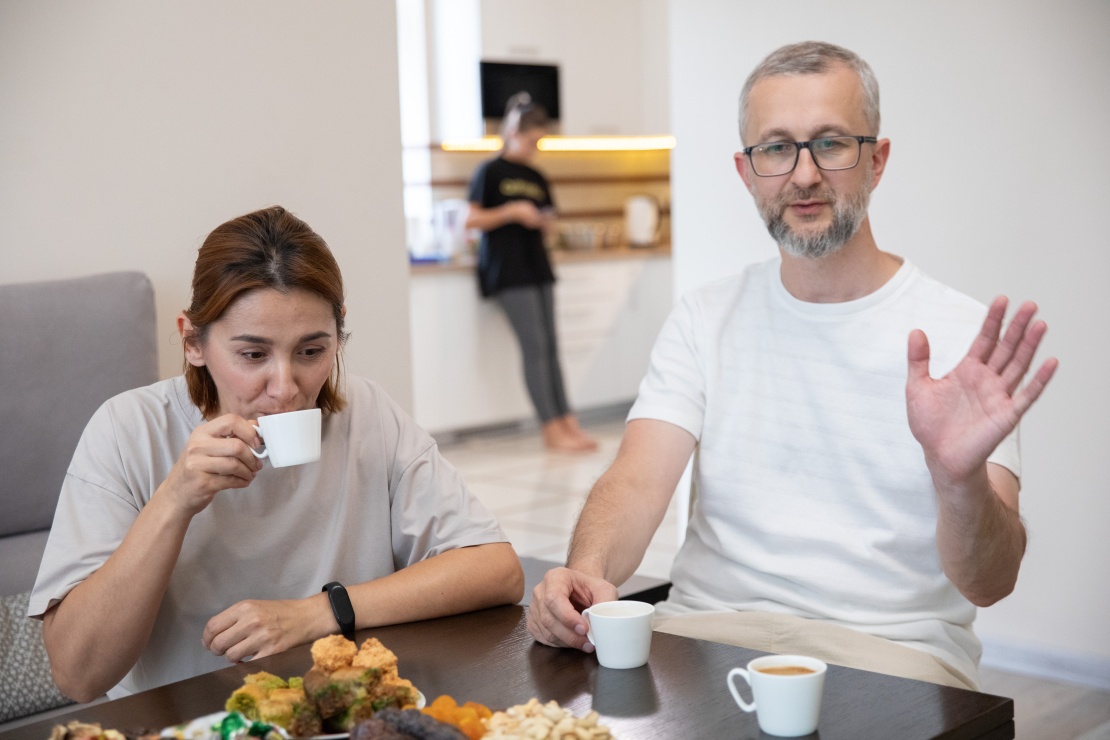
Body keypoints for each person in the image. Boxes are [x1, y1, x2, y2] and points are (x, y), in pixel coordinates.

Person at [526, 41, 1058, 691]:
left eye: (830, 143)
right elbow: (636, 481)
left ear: (877, 160)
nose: (803, 175)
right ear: (746, 172)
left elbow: (990, 582)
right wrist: (584, 573)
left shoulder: (963, 336)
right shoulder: (704, 316)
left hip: (891, 657)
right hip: (707, 634)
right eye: (776, 148)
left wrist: (960, 481)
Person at [29, 206, 525, 702]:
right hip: (187, 724)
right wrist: (175, 499)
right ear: (192, 341)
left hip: (339, 716)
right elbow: (78, 674)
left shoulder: (367, 413)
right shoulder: (127, 429)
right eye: (253, 355)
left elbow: (496, 569)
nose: (285, 388)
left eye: (311, 352)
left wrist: (320, 612)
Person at [465, 92, 598, 453]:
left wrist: (543, 222)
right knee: (536, 347)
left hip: (538, 266)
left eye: (540, 141)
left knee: (552, 347)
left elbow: (548, 222)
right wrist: (512, 212)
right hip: (508, 272)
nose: (535, 147)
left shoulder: (538, 176)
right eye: (531, 140)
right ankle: (550, 428)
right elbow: (472, 219)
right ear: (512, 132)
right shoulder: (489, 172)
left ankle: (567, 420)